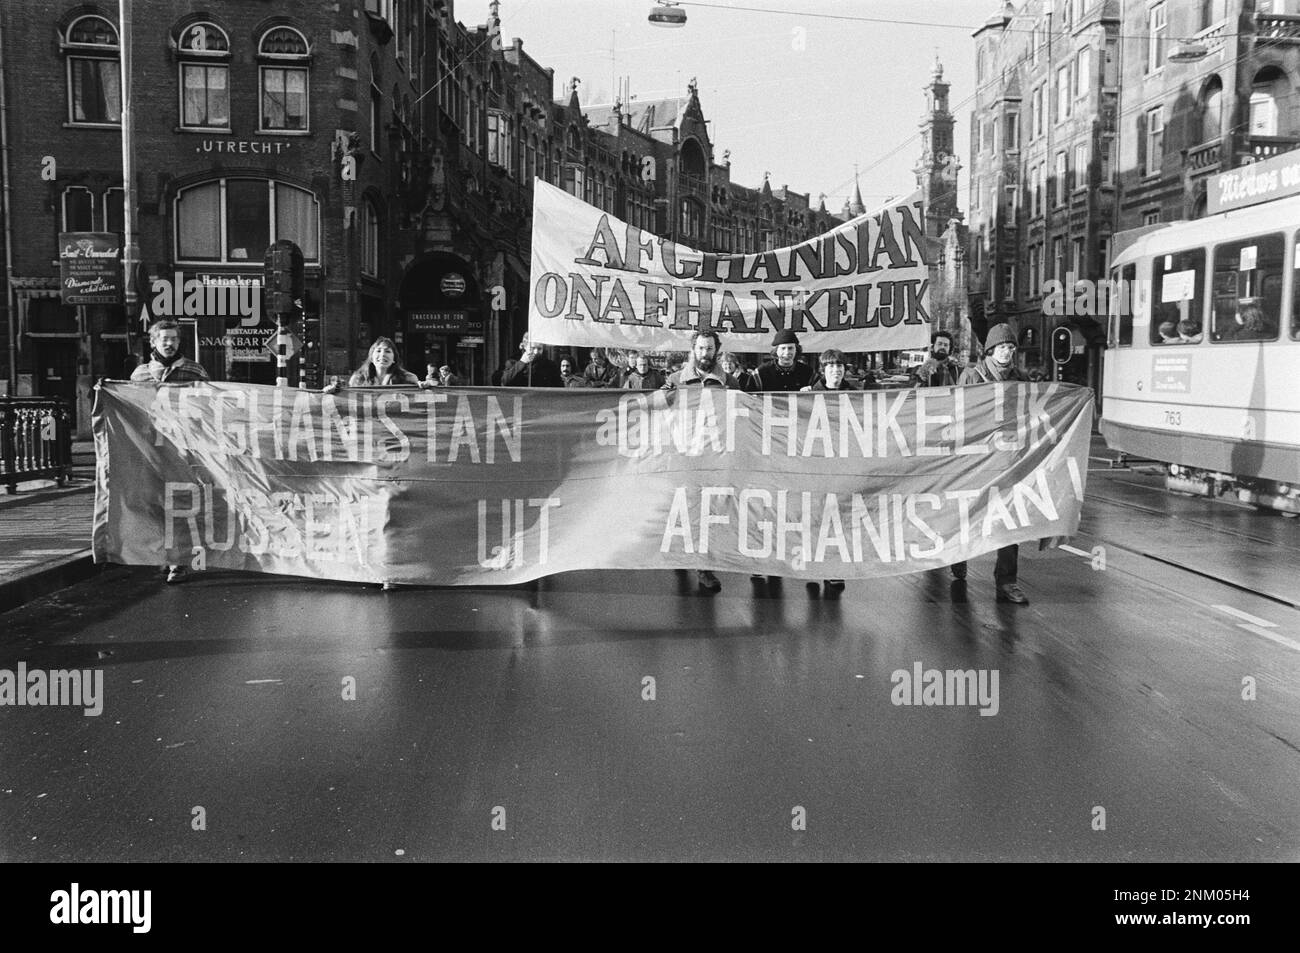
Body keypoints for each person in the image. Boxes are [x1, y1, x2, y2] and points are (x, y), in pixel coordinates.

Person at [949, 323, 1029, 605]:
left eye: (1011, 347)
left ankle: (1007, 580)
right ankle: (959, 554)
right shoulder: (972, 376)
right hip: (975, 458)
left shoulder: (1021, 378)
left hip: (1007, 459)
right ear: (991, 350)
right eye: (1002, 347)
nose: (1007, 352)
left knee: (1009, 516)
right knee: (970, 510)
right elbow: (957, 414)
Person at [131, 319, 210, 583]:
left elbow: (210, 407)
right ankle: (165, 555)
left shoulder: (195, 371)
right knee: (155, 503)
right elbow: (132, 409)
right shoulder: (140, 375)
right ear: (153, 342)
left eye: (174, 339)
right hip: (151, 450)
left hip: (183, 448)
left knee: (182, 503)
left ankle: (180, 561)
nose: (169, 343)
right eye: (163, 339)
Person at [662, 329, 729, 593]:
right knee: (684, 507)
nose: (705, 354)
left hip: (713, 456)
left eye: (709, 349)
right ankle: (682, 552)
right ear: (693, 350)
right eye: (700, 348)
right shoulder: (677, 380)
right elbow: (658, 408)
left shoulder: (728, 382)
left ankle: (703, 567)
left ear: (717, 350)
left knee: (707, 511)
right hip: (684, 454)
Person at [803, 349, 859, 594]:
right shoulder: (809, 395)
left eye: (840, 366)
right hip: (817, 466)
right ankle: (816, 565)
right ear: (823, 369)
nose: (836, 370)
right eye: (831, 366)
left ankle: (834, 568)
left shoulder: (858, 396)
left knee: (840, 518)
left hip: (844, 466)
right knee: (817, 517)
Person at [323, 337, 432, 392]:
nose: (383, 355)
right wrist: (334, 391)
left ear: (394, 358)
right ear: (371, 357)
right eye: (378, 351)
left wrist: (424, 387)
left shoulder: (408, 378)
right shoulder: (358, 378)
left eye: (388, 351)